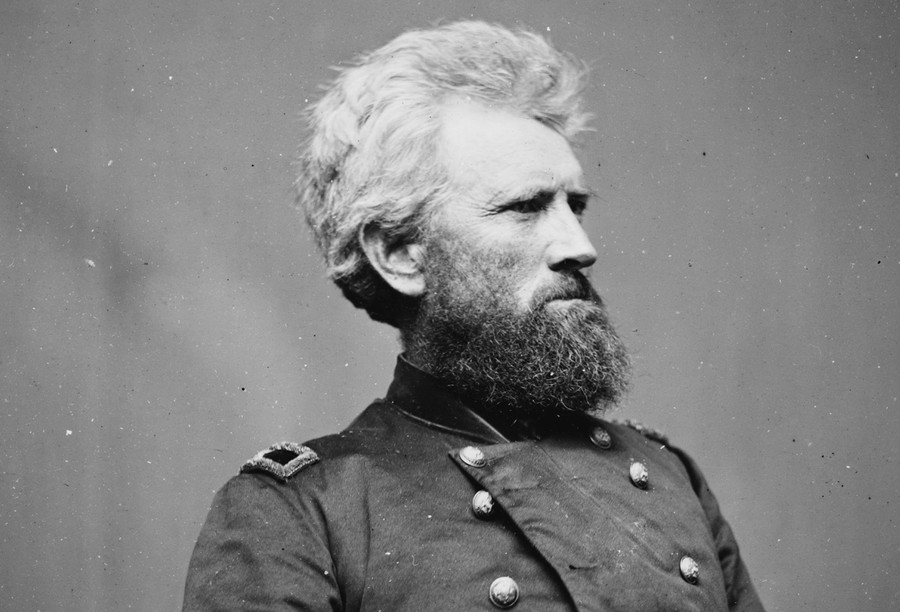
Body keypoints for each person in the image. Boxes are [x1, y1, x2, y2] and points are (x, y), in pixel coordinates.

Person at [183, 21, 765, 611]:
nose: (580, 246)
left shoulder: (670, 479)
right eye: (525, 207)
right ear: (400, 255)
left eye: (575, 206)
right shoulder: (304, 511)